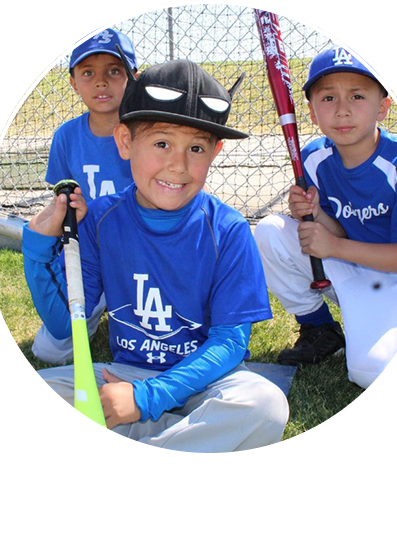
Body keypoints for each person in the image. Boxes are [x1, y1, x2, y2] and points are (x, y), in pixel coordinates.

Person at [22, 57, 289, 452]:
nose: (178, 165)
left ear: (214, 151)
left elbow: (230, 343)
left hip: (205, 378)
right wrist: (37, 246)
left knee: (264, 405)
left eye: (196, 147)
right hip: (127, 373)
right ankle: (177, 439)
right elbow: (65, 325)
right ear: (126, 142)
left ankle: (141, 433)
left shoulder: (228, 228)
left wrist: (146, 399)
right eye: (161, 143)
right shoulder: (101, 219)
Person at [254, 47, 397, 389]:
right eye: (328, 97)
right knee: (270, 231)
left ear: (382, 107)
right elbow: (340, 233)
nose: (342, 109)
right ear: (311, 112)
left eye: (357, 96)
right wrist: (317, 215)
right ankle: (321, 329)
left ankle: (380, 327)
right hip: (351, 272)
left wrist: (333, 245)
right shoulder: (313, 158)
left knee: (372, 372)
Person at [33, 29, 138, 365]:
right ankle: (97, 304)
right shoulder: (67, 137)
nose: (101, 82)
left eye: (114, 71)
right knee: (51, 349)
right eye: (88, 73)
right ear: (73, 82)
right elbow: (60, 201)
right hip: (88, 255)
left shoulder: (147, 132)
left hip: (138, 254)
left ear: (133, 78)